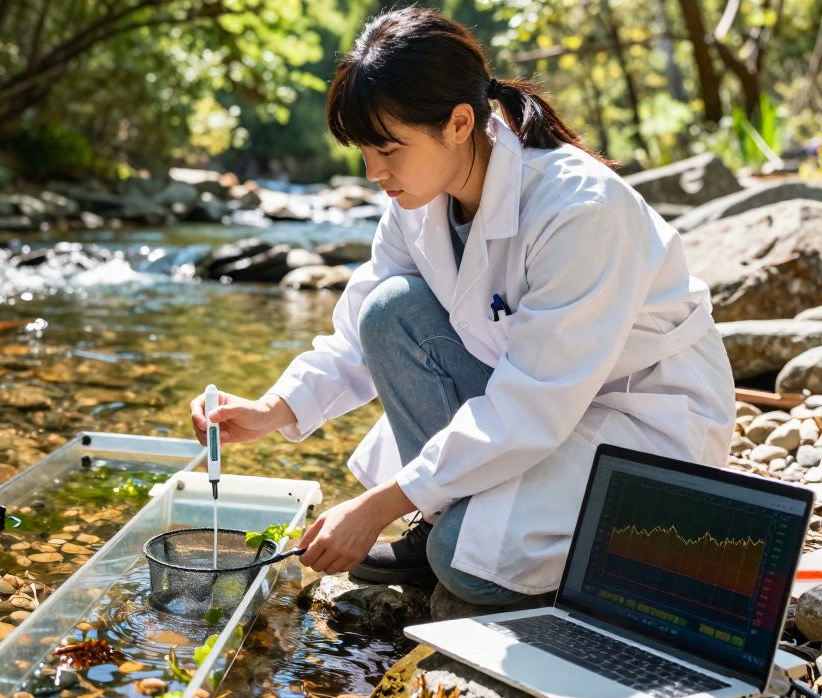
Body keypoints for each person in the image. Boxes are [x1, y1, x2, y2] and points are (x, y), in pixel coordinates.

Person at [189, 7, 734, 608]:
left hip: (637, 416)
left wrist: (380, 504)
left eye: (387, 148)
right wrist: (273, 409)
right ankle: (452, 515)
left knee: (463, 563)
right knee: (390, 311)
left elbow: (535, 403)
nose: (373, 172)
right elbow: (360, 336)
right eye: (364, 151)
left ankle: (487, 533)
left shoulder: (579, 209)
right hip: (540, 400)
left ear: (458, 123)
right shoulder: (416, 201)